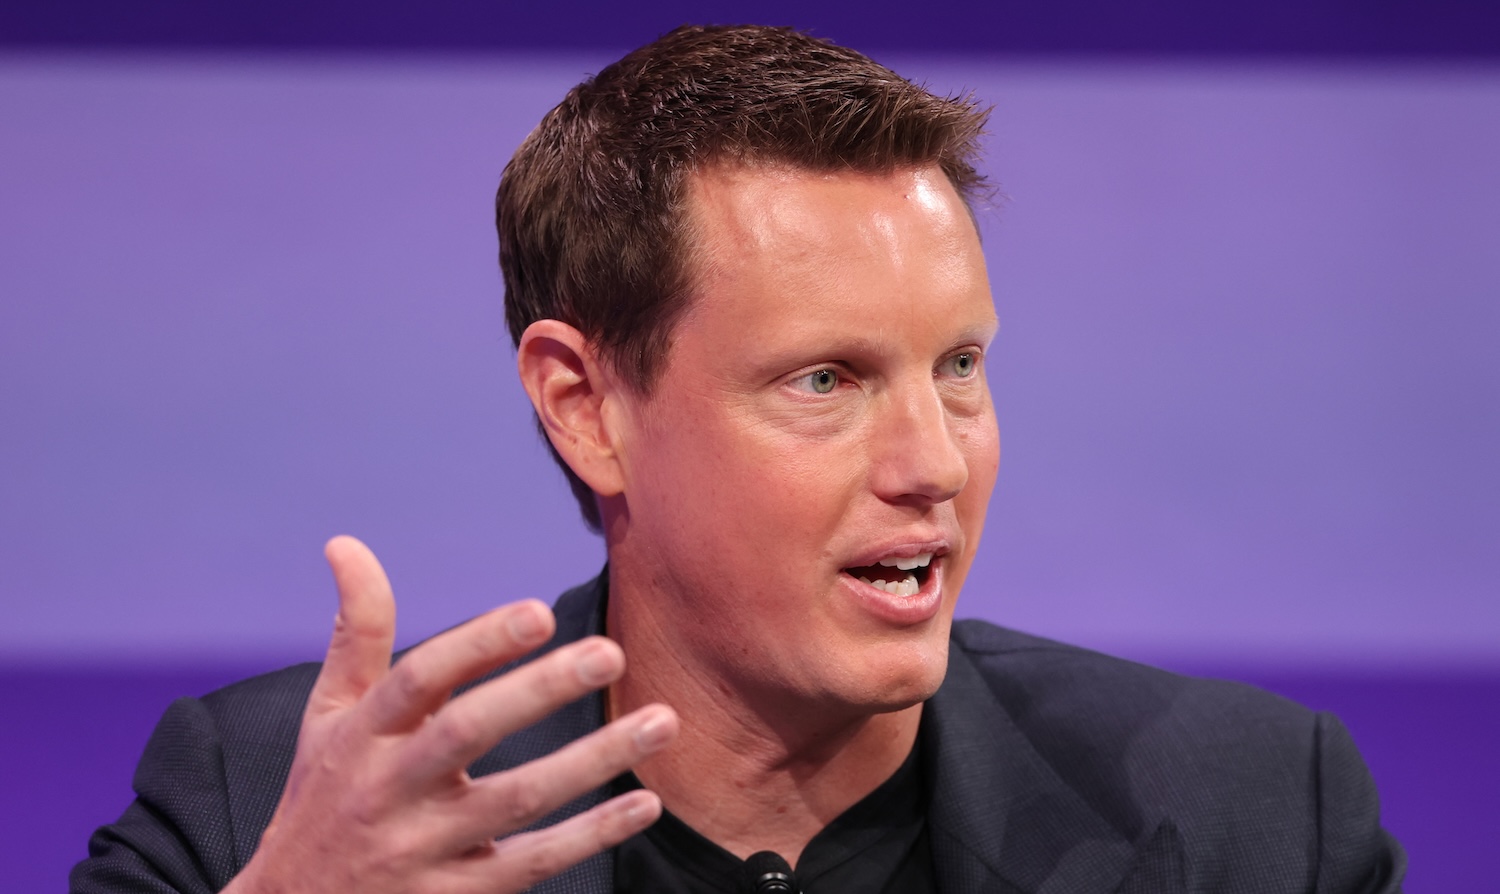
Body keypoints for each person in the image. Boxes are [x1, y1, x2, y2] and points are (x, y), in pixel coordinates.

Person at [72, 24, 1405, 894]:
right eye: (826, 380)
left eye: (958, 366)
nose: (934, 463)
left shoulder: (1254, 818)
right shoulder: (271, 809)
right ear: (586, 406)